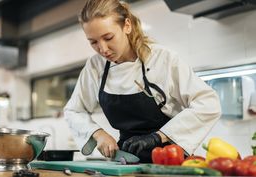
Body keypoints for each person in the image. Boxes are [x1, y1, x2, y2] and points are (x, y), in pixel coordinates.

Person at [64, 0, 221, 162]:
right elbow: (74, 110)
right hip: (125, 161)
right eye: (93, 42)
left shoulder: (163, 59)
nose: (103, 49)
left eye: (108, 37)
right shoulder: (95, 66)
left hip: (169, 159)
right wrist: (98, 134)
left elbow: (208, 103)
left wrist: (158, 137)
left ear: (127, 26)